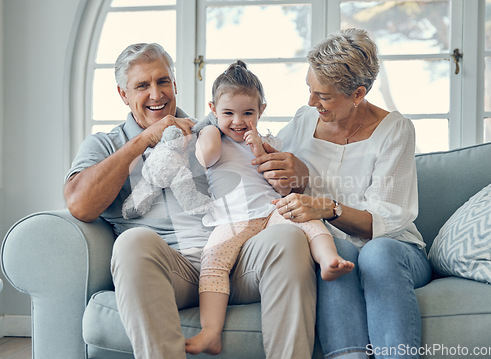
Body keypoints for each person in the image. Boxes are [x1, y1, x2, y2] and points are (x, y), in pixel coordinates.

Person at [63, 43, 317, 359]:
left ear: (175, 84)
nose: (156, 94)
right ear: (123, 94)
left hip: (233, 258)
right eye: (142, 85)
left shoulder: (216, 129)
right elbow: (80, 204)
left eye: (163, 81)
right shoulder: (106, 144)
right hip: (171, 269)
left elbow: (272, 171)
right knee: (132, 243)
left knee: (287, 236)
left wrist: (299, 173)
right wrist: (144, 139)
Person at [253, 28, 432, 359]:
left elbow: (384, 221)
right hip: (336, 249)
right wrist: (289, 171)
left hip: (397, 251)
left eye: (323, 95)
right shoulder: (304, 120)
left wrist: (326, 207)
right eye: (310, 90)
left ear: (358, 94)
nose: (311, 102)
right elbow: (271, 177)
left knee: (376, 254)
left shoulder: (396, 130)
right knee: (335, 252)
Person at [185, 60, 354, 355]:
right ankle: (211, 332)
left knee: (304, 214)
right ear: (212, 109)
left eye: (247, 113)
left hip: (270, 210)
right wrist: (211, 129)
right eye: (228, 113)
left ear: (261, 110)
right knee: (212, 263)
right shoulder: (212, 137)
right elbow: (206, 157)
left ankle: (328, 260)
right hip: (232, 220)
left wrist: (259, 148)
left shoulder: (270, 141)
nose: (237, 121)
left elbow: (284, 187)